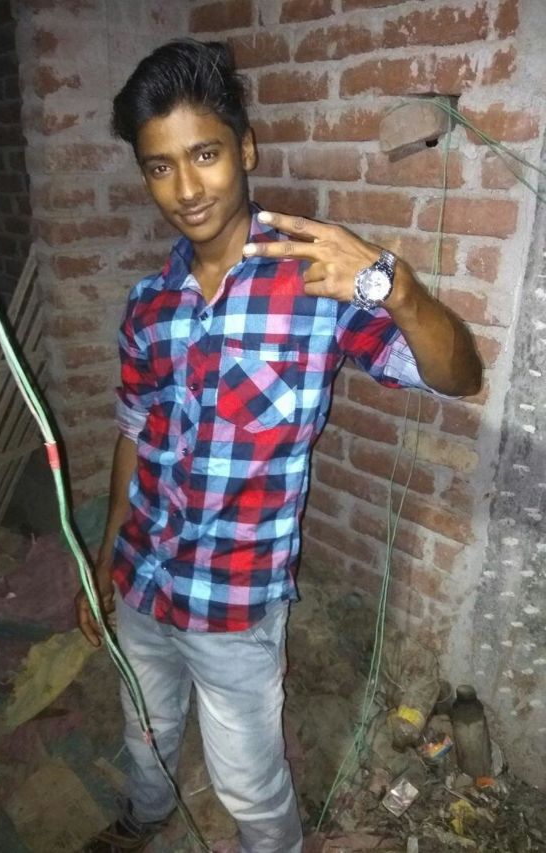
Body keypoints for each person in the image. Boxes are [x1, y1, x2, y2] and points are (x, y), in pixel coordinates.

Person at [75, 39, 482, 853]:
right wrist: (106, 554)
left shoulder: (313, 281)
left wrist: (395, 285)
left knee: (249, 785)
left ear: (246, 149)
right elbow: (135, 433)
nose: (187, 188)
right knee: (145, 725)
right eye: (160, 167)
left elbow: (459, 376)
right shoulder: (148, 304)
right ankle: (146, 815)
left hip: (234, 603)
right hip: (143, 579)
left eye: (205, 154)